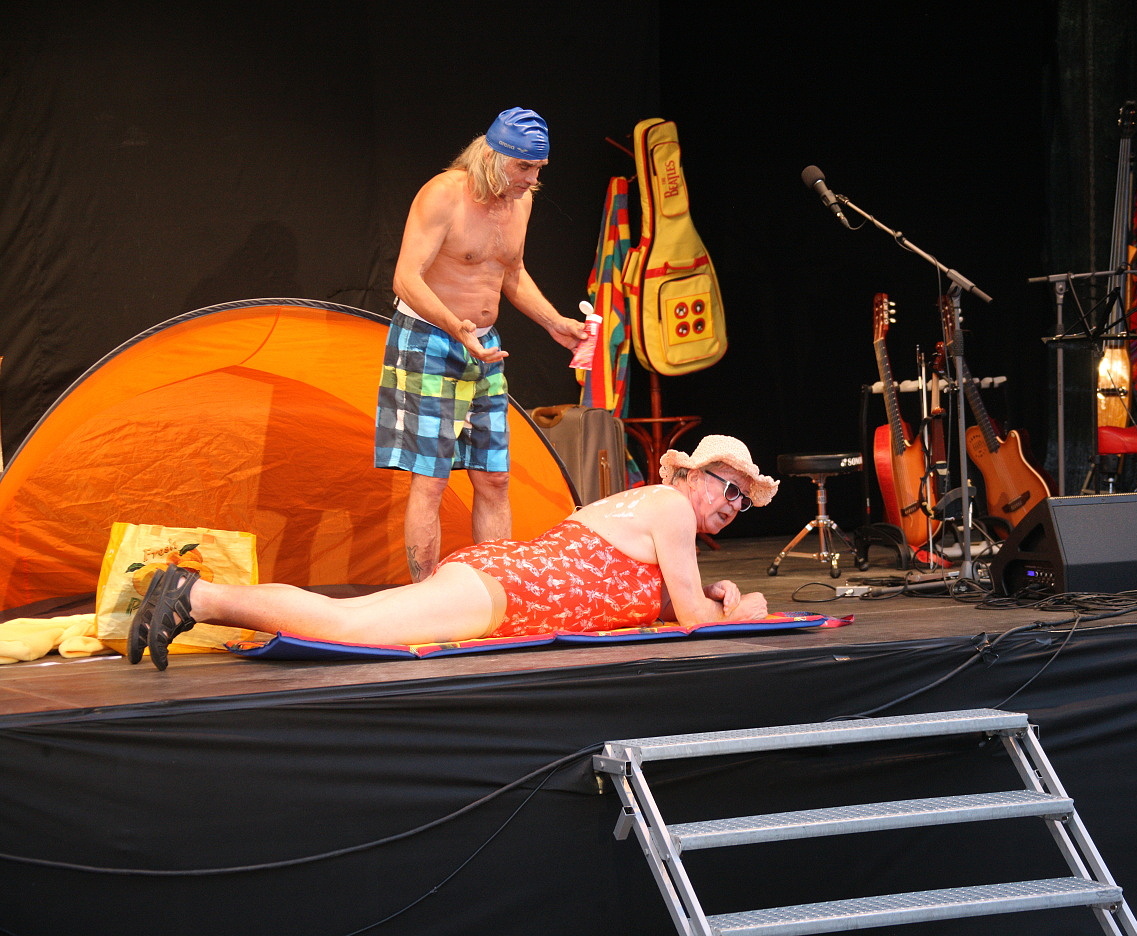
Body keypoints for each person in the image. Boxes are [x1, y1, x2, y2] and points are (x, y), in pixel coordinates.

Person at [127, 436, 779, 670]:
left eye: (743, 500)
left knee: (355, 621)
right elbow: (694, 622)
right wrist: (745, 605)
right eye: (728, 487)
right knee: (349, 626)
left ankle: (197, 596)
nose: (733, 504)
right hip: (511, 590)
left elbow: (662, 598)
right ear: (690, 475)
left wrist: (710, 593)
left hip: (507, 587)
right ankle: (196, 594)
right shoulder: (669, 507)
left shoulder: (657, 513)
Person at [376, 106, 588, 582]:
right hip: (429, 341)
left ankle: (497, 593)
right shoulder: (444, 194)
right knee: (431, 480)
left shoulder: (521, 201)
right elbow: (406, 278)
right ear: (492, 155)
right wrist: (457, 328)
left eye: (539, 169)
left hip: (483, 347)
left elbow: (511, 272)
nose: (532, 180)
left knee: (495, 477)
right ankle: (427, 598)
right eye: (524, 167)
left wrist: (554, 322)